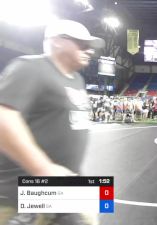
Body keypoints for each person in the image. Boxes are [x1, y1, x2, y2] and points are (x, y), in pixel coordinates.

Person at [0, 20, 104, 225]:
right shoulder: (31, 67)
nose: (89, 50)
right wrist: (42, 168)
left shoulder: (77, 79)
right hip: (23, 190)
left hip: (67, 183)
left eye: (89, 46)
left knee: (92, 215)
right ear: (58, 41)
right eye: (82, 44)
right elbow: (4, 115)